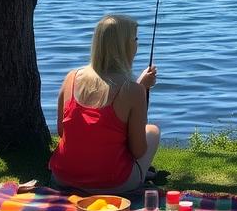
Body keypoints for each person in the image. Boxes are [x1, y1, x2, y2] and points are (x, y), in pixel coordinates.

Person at [48, 14, 162, 193]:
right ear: (126, 46)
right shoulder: (133, 91)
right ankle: (138, 174)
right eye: (135, 39)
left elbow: (63, 132)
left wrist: (139, 86)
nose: (137, 43)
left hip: (63, 177)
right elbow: (138, 150)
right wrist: (140, 88)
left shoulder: (71, 77)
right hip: (112, 184)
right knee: (152, 131)